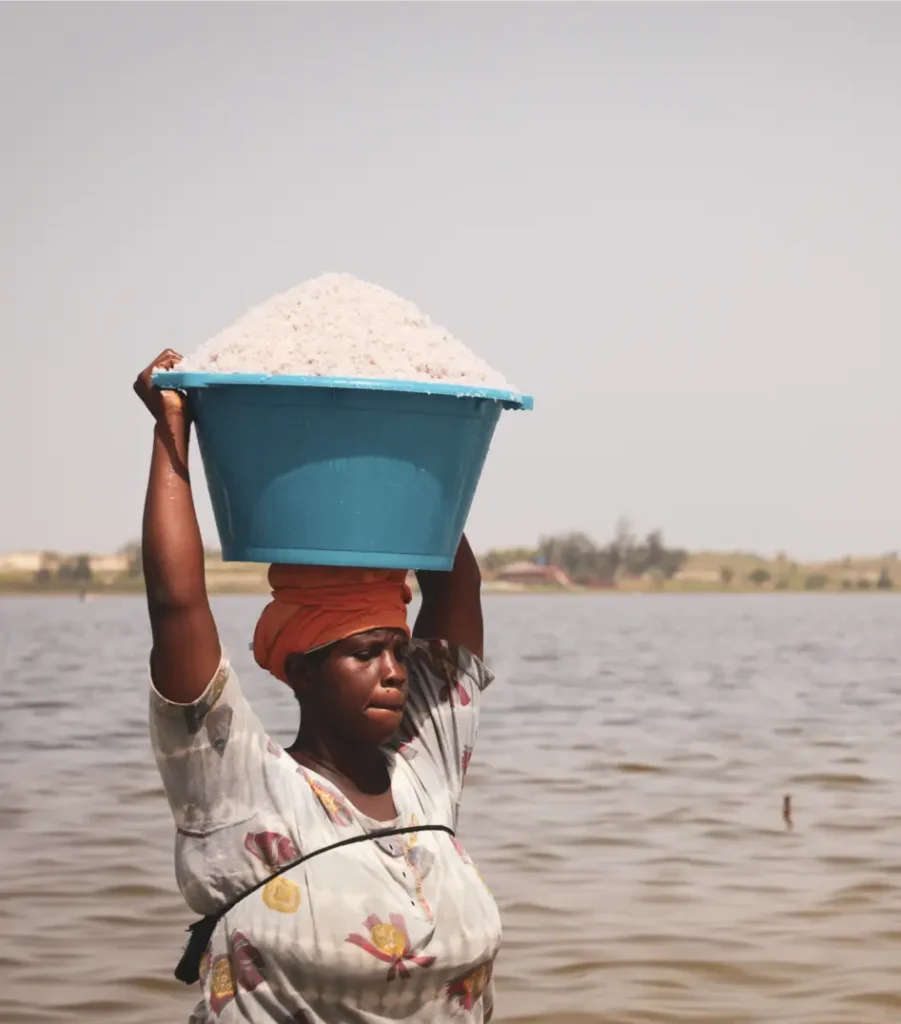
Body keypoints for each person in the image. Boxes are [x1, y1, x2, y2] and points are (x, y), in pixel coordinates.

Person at [134, 351, 502, 1024]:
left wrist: (411, 444)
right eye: (364, 654)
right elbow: (177, 605)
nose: (394, 670)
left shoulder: (428, 771)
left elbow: (456, 585)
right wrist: (171, 431)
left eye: (398, 650)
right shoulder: (240, 784)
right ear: (300, 668)